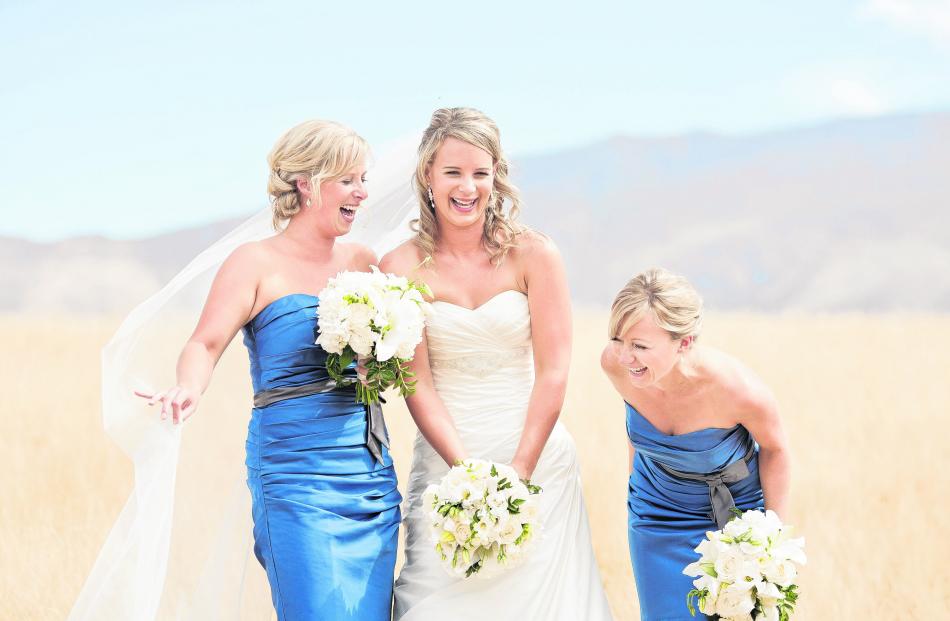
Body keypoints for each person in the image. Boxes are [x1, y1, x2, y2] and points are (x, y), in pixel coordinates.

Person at [135, 120, 402, 620]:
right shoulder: (254, 262)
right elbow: (204, 342)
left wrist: (377, 365)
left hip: (368, 473)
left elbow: (394, 356)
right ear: (307, 183)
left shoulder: (367, 263)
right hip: (295, 474)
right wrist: (188, 388)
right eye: (348, 180)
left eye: (363, 179)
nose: (363, 193)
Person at [381, 107, 613, 620]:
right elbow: (416, 383)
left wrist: (520, 474)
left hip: (536, 461)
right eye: (454, 172)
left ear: (496, 177)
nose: (468, 188)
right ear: (428, 176)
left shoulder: (535, 255)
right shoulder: (399, 267)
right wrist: (462, 475)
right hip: (446, 461)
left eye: (480, 174)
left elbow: (554, 370)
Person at [600, 267, 791, 621]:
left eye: (639, 346)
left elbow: (776, 449)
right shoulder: (616, 367)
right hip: (657, 516)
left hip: (736, 516)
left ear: (684, 342)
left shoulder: (737, 390)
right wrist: (635, 491)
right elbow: (637, 432)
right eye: (618, 340)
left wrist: (771, 539)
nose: (625, 357)